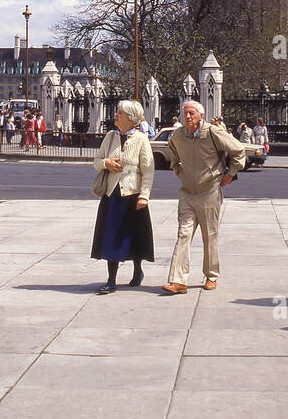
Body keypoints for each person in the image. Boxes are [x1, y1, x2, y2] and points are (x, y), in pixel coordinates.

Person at [163, 99, 246, 293]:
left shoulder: (212, 132)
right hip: (187, 193)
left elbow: (238, 150)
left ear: (201, 116)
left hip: (210, 191)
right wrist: (179, 172)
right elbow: (174, 157)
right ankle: (178, 281)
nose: (188, 116)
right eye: (186, 113)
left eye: (192, 113)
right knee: (183, 234)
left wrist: (230, 174)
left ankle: (211, 276)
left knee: (210, 236)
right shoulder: (177, 135)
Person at [91, 100, 155, 293]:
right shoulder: (110, 136)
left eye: (119, 113)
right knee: (111, 236)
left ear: (130, 118)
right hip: (113, 196)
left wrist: (144, 195)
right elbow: (96, 161)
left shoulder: (141, 139)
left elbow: (148, 170)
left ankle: (138, 270)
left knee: (134, 235)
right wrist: (106, 163)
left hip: (133, 196)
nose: (116, 116)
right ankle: (111, 280)